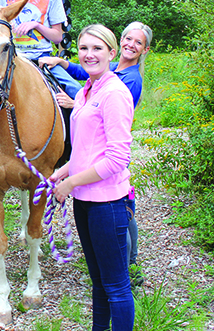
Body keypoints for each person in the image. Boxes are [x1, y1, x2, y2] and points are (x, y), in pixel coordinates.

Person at [39, 21, 152, 285]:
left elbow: (115, 149)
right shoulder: (112, 70)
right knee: (102, 277)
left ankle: (129, 264)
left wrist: (75, 101)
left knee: (122, 213)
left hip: (108, 160)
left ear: (144, 50)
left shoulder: (127, 83)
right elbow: (84, 70)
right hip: (94, 166)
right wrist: (62, 63)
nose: (130, 44)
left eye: (138, 42)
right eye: (128, 38)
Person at [50, 25, 135, 331]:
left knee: (116, 286)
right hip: (85, 203)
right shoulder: (87, 90)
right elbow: (86, 151)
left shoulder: (114, 93)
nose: (89, 54)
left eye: (97, 48)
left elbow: (116, 159)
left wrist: (70, 183)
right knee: (99, 282)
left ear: (112, 53)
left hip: (107, 203)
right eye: (83, 48)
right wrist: (62, 172)